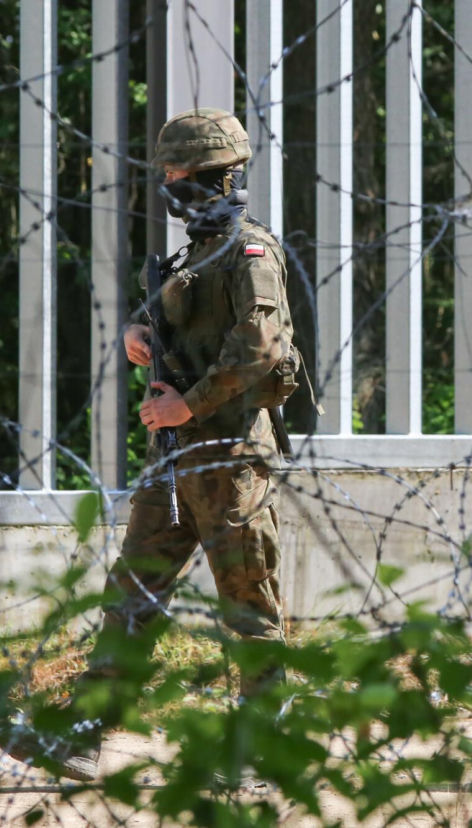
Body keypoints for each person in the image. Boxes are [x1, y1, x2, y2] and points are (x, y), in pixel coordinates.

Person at [2, 108, 297, 782]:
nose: (167, 183)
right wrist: (141, 330)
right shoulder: (196, 253)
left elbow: (262, 345)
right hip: (178, 459)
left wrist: (186, 403)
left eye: (175, 172)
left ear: (206, 175)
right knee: (132, 596)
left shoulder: (249, 250)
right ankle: (82, 735)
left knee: (247, 606)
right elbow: (180, 322)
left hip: (230, 460)